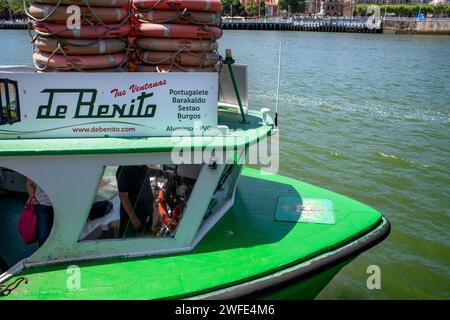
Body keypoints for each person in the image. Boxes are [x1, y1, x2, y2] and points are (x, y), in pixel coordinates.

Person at [116, 165, 154, 238]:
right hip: (134, 214)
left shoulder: (141, 164)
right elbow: (123, 196)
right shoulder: (125, 169)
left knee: (144, 234)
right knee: (130, 239)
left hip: (145, 211)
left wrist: (161, 172)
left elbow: (146, 171)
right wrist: (133, 218)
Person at [25, 179, 53, 247]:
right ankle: (43, 253)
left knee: (52, 232)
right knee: (44, 234)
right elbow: (29, 183)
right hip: (42, 205)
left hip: (58, 206)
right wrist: (33, 198)